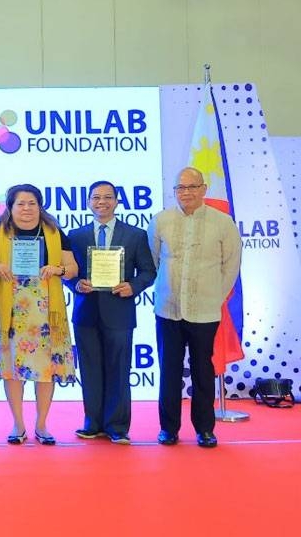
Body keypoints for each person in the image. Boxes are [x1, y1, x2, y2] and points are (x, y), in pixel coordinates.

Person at [149, 166, 242, 449]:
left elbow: (231, 266)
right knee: (169, 370)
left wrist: (213, 297)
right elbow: (155, 261)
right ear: (174, 191)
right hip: (168, 309)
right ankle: (169, 428)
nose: (186, 193)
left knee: (203, 371)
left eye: (192, 187)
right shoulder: (161, 221)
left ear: (203, 189)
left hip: (205, 310)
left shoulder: (223, 222)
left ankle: (204, 429)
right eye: (180, 188)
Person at [0, 184, 78, 446]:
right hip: (10, 309)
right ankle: (18, 424)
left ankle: (42, 424)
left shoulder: (54, 233)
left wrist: (56, 269)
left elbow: (72, 268)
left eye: (32, 203)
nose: (26, 209)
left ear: (40, 206)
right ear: (10, 207)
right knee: (13, 369)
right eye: (20, 204)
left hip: (46, 311)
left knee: (46, 369)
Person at [65, 180, 156, 445]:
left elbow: (149, 271)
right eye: (96, 197)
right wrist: (74, 284)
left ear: (117, 201)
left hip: (120, 311)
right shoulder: (76, 236)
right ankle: (92, 423)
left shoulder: (136, 235)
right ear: (88, 202)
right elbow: (67, 272)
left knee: (118, 369)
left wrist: (134, 286)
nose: (101, 202)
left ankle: (117, 426)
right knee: (90, 369)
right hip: (86, 312)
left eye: (107, 197)